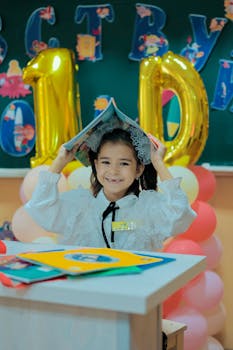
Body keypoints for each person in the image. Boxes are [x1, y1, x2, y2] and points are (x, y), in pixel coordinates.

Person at [24, 112, 196, 251]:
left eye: (124, 163)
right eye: (106, 162)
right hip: (88, 290)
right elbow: (40, 208)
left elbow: (181, 216)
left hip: (134, 290)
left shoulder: (148, 209)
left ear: (138, 169)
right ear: (96, 165)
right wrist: (60, 161)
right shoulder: (79, 208)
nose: (113, 171)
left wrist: (158, 162)